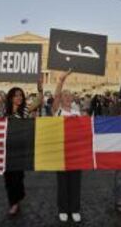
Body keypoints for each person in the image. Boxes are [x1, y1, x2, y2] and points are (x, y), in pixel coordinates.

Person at [0, 71, 43, 216]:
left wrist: (40, 88)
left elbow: (39, 100)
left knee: (19, 177)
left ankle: (18, 197)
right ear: (11, 97)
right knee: (9, 178)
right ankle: (13, 202)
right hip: (6, 149)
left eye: (21, 95)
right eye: (16, 95)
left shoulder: (25, 110)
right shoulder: (4, 109)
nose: (19, 98)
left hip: (21, 149)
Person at [51, 69, 82, 223]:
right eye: (65, 95)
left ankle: (75, 208)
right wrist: (61, 81)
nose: (68, 97)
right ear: (61, 99)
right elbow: (55, 96)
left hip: (76, 153)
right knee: (62, 182)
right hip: (61, 152)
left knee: (76, 182)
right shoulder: (57, 111)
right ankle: (63, 208)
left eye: (70, 95)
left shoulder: (78, 112)